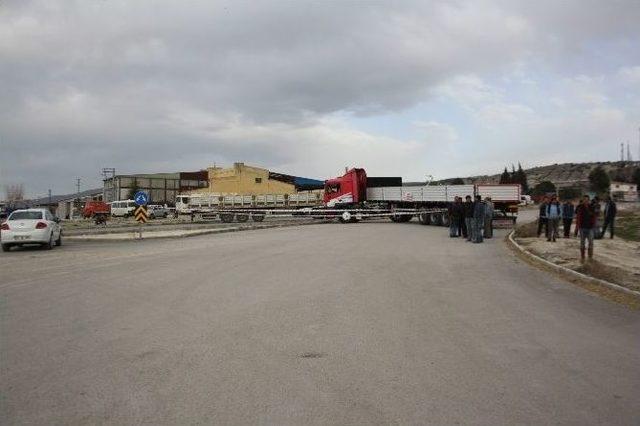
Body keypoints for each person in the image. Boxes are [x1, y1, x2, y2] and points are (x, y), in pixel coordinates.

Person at [575, 195, 596, 261]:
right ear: (583, 200)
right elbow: (577, 216)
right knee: (582, 243)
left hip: (590, 228)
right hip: (582, 228)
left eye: (587, 200)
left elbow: (594, 217)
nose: (586, 201)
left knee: (591, 242)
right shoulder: (580, 207)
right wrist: (577, 228)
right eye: (585, 200)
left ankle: (590, 257)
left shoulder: (591, 207)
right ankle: (582, 257)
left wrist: (594, 225)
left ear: (589, 200)